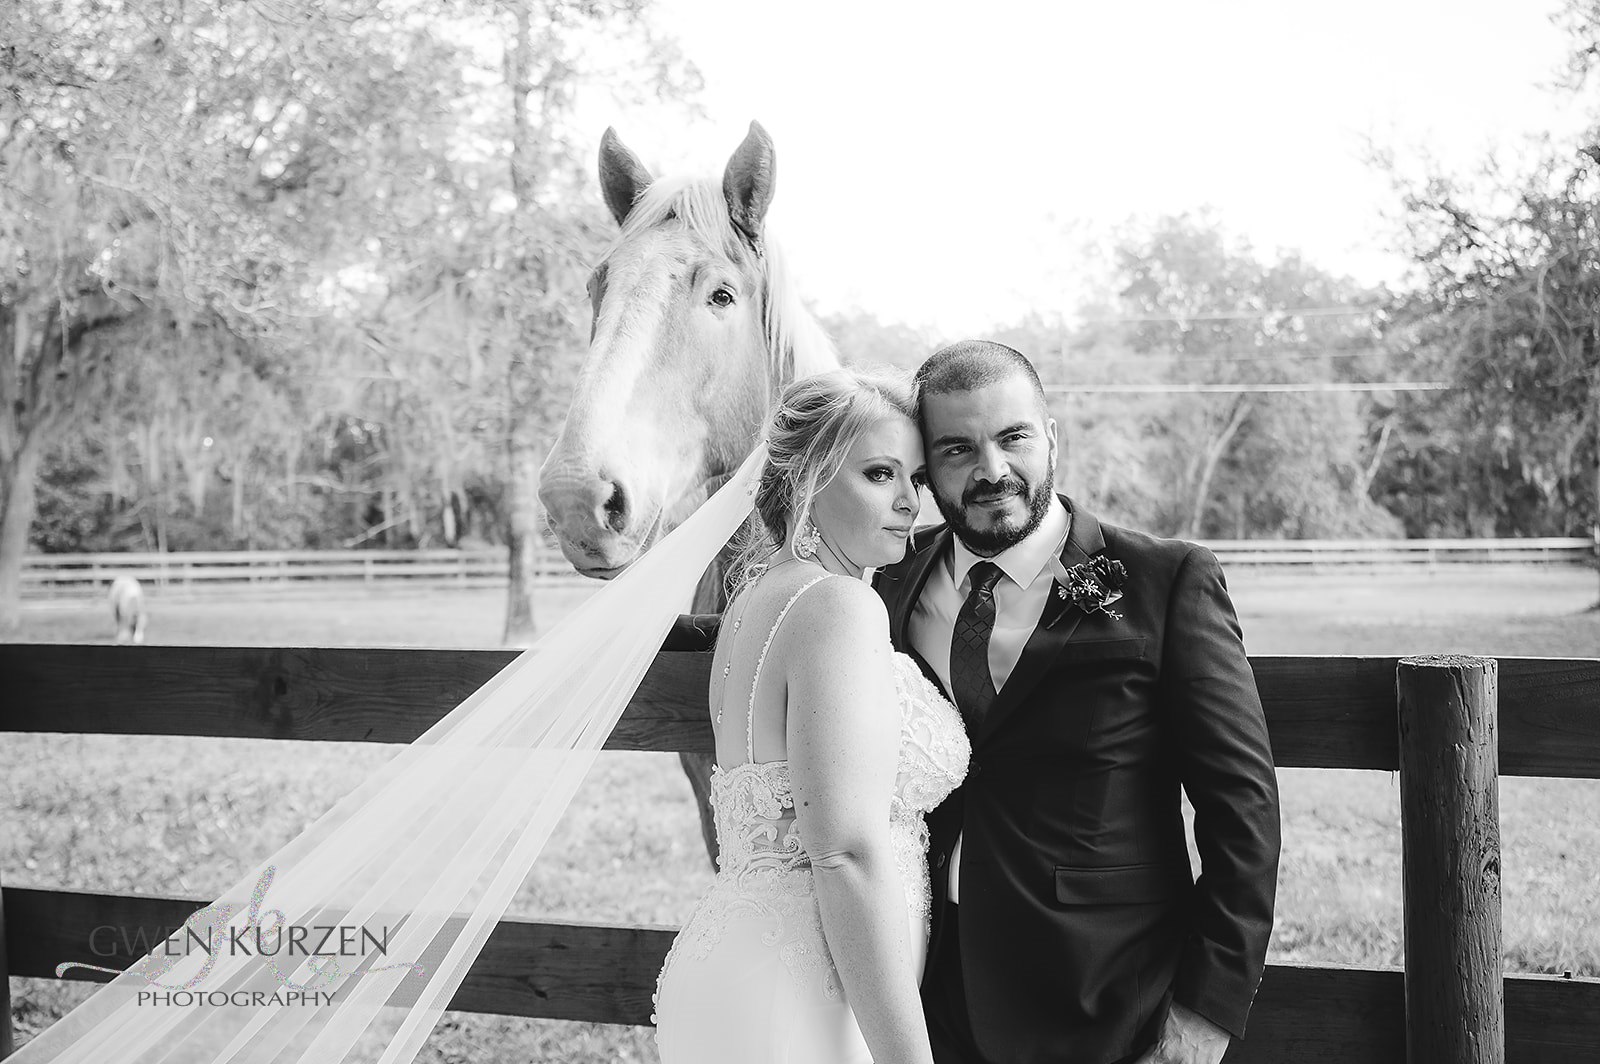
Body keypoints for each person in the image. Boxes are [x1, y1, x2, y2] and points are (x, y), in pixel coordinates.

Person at [873, 340, 1282, 1064]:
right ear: (926, 468)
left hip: (1107, 997)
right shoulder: (888, 582)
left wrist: (1205, 1014)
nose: (992, 470)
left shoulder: (1166, 581)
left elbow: (1242, 812)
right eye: (958, 449)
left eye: (1013, 437)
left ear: (1051, 436)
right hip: (927, 987)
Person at [652, 366, 970, 1064]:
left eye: (915, 480)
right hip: (803, 1000)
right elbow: (845, 854)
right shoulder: (840, 606)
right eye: (880, 474)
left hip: (736, 969)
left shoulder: (752, 606)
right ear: (809, 481)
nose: (909, 502)